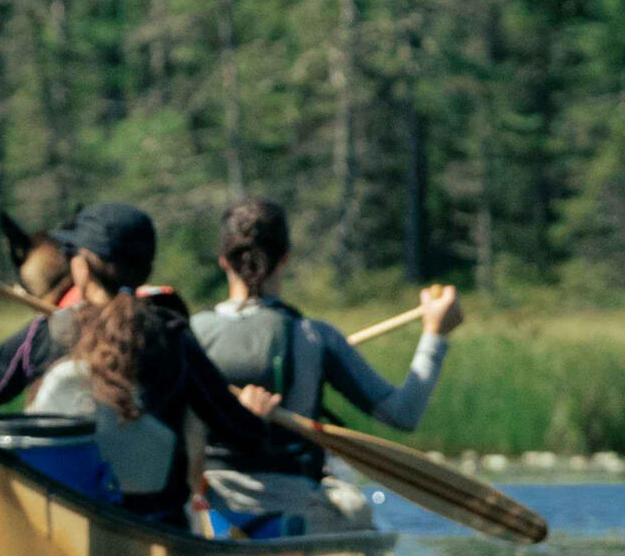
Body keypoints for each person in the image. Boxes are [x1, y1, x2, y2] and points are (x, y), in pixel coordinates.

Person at [0, 202, 279, 525]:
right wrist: (255, 417)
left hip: (59, 524)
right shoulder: (171, 336)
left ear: (82, 267)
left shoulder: (45, 333)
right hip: (152, 528)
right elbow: (243, 435)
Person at [190, 198, 464, 534]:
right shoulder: (315, 338)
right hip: (294, 508)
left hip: (207, 509)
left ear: (222, 261)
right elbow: (403, 414)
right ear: (286, 258)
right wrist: (435, 335)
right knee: (356, 510)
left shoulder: (187, 335)